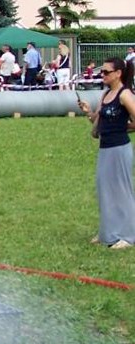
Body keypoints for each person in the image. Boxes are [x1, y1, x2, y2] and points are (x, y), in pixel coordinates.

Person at [77, 58, 135, 249]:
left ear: (118, 73)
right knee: (105, 190)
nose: (103, 75)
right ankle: (108, 232)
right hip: (105, 148)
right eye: (102, 72)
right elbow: (99, 120)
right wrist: (88, 112)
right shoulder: (105, 95)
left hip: (120, 149)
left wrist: (124, 128)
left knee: (121, 191)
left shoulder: (124, 94)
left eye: (106, 72)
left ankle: (127, 235)